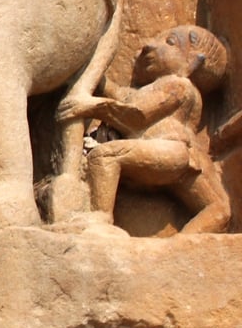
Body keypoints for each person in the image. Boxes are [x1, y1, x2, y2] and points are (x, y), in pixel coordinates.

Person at [63, 25, 230, 235]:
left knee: (105, 156)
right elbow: (121, 95)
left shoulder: (178, 84)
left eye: (170, 42)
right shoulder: (156, 87)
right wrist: (92, 71)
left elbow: (137, 115)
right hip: (174, 154)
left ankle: (101, 217)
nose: (150, 45)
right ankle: (182, 243)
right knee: (216, 207)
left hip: (170, 150)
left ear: (192, 63)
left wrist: (92, 106)